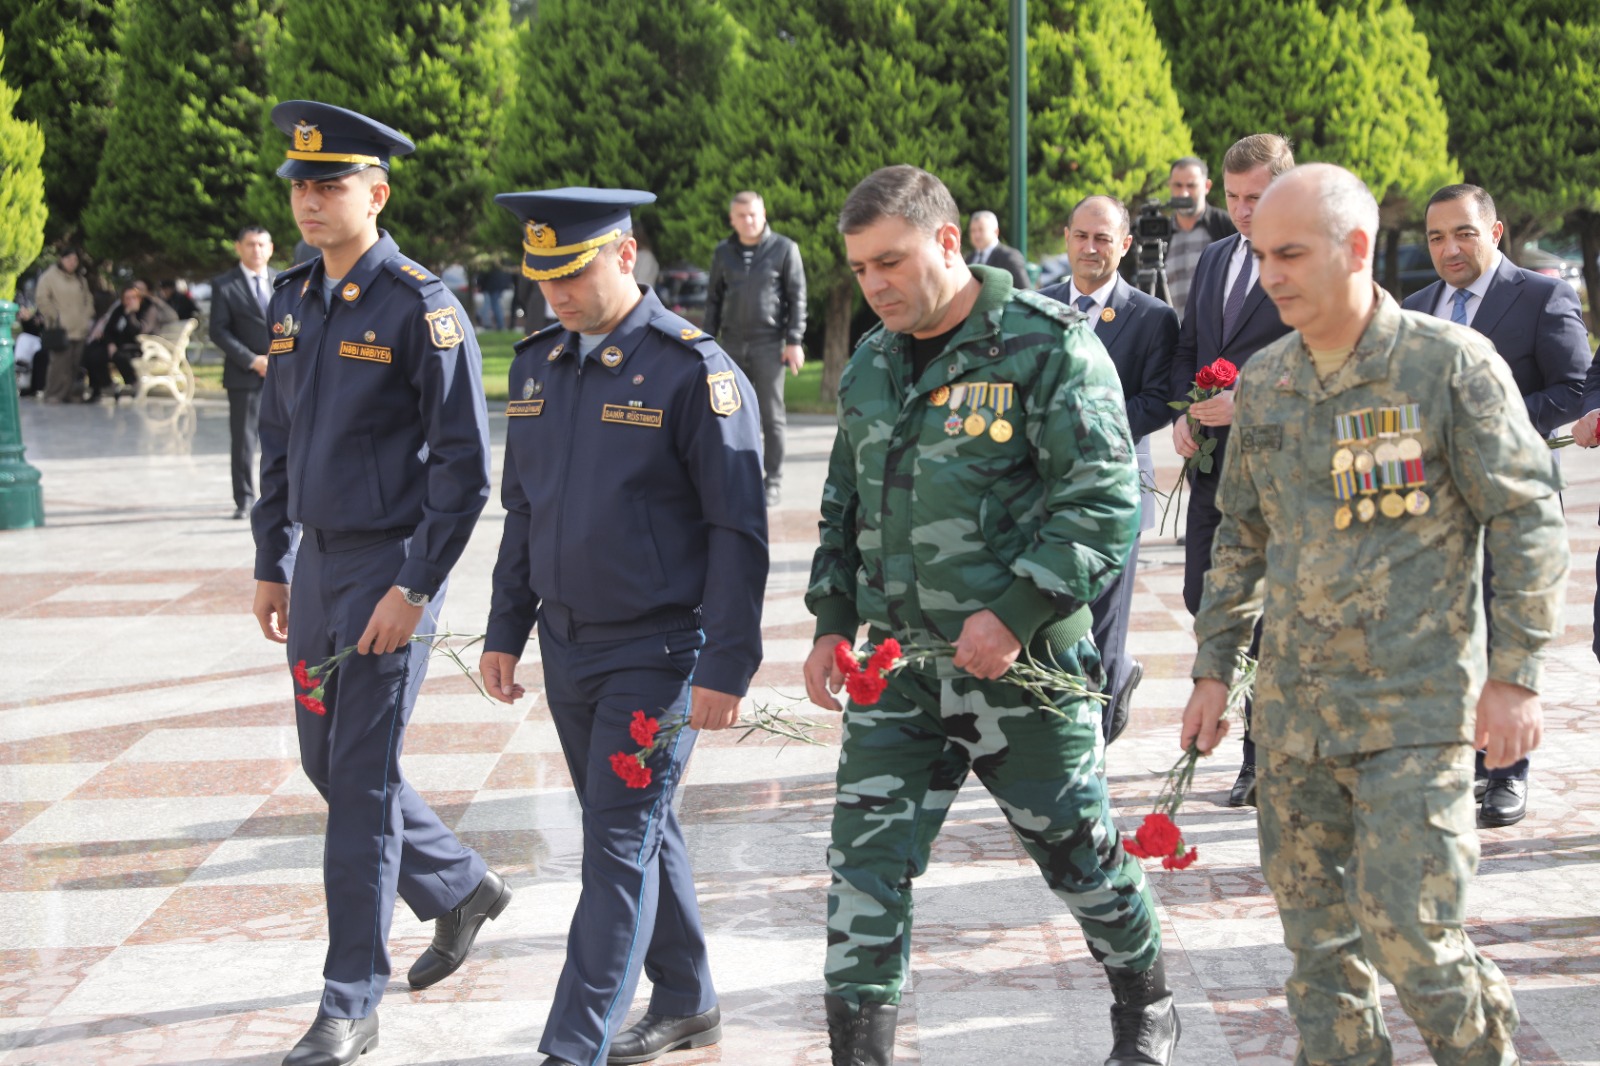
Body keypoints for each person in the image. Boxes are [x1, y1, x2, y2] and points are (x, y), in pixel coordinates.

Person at [1182, 161, 1565, 1066]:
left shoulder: (1448, 366)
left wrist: (1515, 676)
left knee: (1413, 939)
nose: (1269, 273)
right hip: (1294, 722)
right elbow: (1240, 534)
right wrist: (1212, 670)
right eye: (1260, 253)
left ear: (1356, 249)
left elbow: (1525, 517)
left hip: (1417, 714)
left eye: (1290, 253)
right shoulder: (1269, 383)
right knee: (1319, 957)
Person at [804, 165, 1177, 1066]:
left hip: (1023, 676)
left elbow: (1101, 499)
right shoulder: (871, 364)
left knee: (1078, 858)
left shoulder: (1045, 345)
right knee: (865, 867)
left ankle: (1145, 1000)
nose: (875, 285)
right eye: (859, 270)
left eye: (890, 262)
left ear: (945, 242)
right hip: (899, 671)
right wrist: (829, 620)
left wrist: (1013, 614)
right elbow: (843, 504)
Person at [480, 188, 768, 1066]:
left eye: (572, 274)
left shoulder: (694, 370)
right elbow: (523, 511)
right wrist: (504, 628)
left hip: (659, 649)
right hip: (569, 645)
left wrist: (728, 662)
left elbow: (738, 528)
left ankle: (573, 1046)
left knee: (613, 844)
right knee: (639, 827)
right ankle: (685, 998)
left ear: (625, 253)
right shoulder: (536, 364)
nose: (556, 297)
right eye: (542, 280)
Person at [250, 100, 508, 1066]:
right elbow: (274, 440)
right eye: (301, 186)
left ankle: (349, 998)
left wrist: (415, 586)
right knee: (328, 764)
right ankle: (459, 887)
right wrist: (272, 559)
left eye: (331, 185)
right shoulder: (291, 299)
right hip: (318, 565)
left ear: (377, 192)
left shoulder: (421, 306)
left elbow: (464, 469)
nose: (310, 201)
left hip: (392, 566)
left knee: (357, 780)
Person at [1402, 183, 1591, 828]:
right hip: (1433, 508)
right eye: (1435, 237)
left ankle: (1509, 773)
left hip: (1513, 503)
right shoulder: (1417, 307)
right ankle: (1470, 764)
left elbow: (1571, 387)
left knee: (1505, 637)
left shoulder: (1541, 296)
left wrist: (1486, 425)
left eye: (1463, 233)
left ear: (1496, 232)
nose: (1449, 248)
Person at [1170, 132, 1296, 808]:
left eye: (1260, 197)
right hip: (1215, 474)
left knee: (1269, 620)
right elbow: (1193, 345)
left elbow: (1321, 349)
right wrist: (1183, 414)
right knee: (1205, 598)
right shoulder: (1216, 257)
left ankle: (1260, 755)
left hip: (1281, 472)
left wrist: (1246, 394)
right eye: (1237, 197)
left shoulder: (1308, 260)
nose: (1246, 210)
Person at [1039, 195, 1180, 744]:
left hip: (1116, 492)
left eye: (1104, 239)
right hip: (1047, 495)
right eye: (1081, 236)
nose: (1090, 248)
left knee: (1102, 620)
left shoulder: (1152, 318)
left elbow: (1159, 402)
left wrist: (1087, 425)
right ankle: (1102, 688)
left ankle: (1089, 741)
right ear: (1067, 238)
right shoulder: (1038, 304)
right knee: (1054, 616)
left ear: (1124, 245)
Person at [703, 190, 807, 506]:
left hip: (769, 344)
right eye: (742, 215)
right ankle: (733, 476)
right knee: (727, 412)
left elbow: (797, 297)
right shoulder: (723, 253)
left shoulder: (784, 249)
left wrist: (794, 340)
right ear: (732, 219)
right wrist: (706, 343)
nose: (749, 220)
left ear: (763, 215)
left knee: (772, 416)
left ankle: (772, 480)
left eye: (754, 214)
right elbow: (713, 301)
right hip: (731, 344)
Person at [210, 225, 278, 519]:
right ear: (239, 247)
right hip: (244, 375)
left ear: (271, 248)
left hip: (282, 374)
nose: (257, 250)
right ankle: (245, 498)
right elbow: (218, 331)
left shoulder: (282, 280)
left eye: (262, 245)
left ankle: (279, 495)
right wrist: (252, 360)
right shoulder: (225, 285)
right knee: (244, 441)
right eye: (250, 245)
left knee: (283, 438)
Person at [1164, 156, 1237, 320]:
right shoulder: (1160, 234)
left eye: (1191, 186)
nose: (1183, 193)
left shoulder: (1226, 226)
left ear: (1206, 186)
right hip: (1174, 338)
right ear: (1170, 186)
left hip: (1219, 334)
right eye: (1178, 185)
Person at [35, 249, 95, 404]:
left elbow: (88, 299)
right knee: (59, 364)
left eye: (75, 259)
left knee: (75, 364)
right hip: (60, 328)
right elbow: (41, 298)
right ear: (61, 259)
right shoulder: (49, 277)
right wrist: (54, 315)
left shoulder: (80, 279)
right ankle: (53, 394)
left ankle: (69, 393)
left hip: (79, 327)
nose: (72, 262)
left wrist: (87, 315)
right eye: (68, 259)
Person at [81, 285, 154, 401]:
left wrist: (130, 314)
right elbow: (108, 329)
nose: (130, 301)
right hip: (116, 345)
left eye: (133, 298)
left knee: (118, 356)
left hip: (134, 347)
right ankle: (102, 386)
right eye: (127, 298)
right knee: (91, 351)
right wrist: (110, 343)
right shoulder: (119, 310)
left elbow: (139, 331)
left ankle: (133, 383)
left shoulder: (147, 310)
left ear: (139, 298)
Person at [965, 208, 1031, 289]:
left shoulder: (1009, 257)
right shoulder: (969, 259)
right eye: (973, 230)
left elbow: (1025, 291)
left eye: (981, 230)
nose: (976, 235)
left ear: (996, 232)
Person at [476, 263, 512, 330]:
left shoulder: (487, 264)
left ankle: (489, 324)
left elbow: (483, 275)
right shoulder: (500, 264)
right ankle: (500, 324)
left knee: (489, 305)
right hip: (497, 286)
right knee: (496, 305)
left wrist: (479, 284)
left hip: (489, 286)